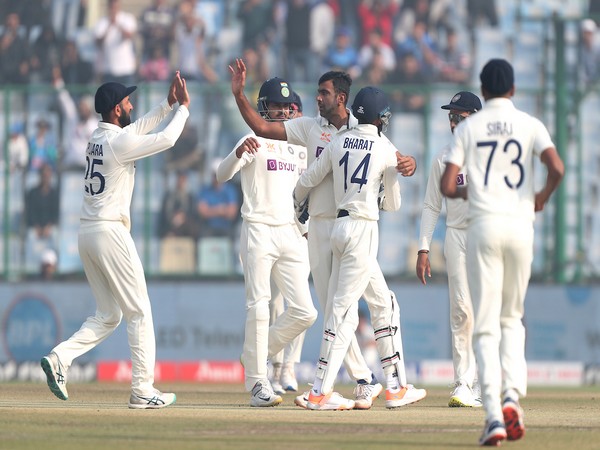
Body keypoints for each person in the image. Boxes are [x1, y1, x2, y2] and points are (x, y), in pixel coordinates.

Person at [230, 59, 422, 410]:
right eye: (318, 92)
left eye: (324, 93)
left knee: (370, 303)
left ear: (342, 98)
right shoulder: (308, 127)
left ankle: (382, 382)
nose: (317, 98)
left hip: (349, 226)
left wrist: (408, 164)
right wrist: (240, 95)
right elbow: (260, 126)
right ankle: (364, 381)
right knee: (337, 307)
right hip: (320, 228)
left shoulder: (363, 127)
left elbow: (395, 159)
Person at [40, 72, 191, 409]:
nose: (132, 104)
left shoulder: (99, 137)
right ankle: (142, 390)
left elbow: (138, 129)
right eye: (127, 101)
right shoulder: (118, 143)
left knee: (109, 314)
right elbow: (165, 140)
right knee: (139, 310)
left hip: (87, 233)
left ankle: (60, 358)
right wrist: (183, 109)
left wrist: (167, 104)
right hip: (110, 232)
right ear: (117, 110)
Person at [440, 58, 564, 446]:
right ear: (511, 89)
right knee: (512, 317)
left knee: (486, 322)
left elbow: (447, 185)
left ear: (485, 89)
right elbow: (556, 167)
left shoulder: (470, 126)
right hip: (519, 226)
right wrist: (539, 198)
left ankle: (493, 415)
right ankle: (512, 397)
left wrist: (469, 191)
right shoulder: (530, 124)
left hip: (484, 226)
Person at [293, 86, 426, 410]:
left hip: (339, 227)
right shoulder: (383, 148)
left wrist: (299, 209)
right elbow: (392, 205)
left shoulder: (338, 142)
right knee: (341, 313)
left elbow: (307, 180)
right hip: (363, 230)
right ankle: (318, 392)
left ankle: (395, 386)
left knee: (384, 304)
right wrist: (390, 179)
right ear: (381, 119)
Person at [216, 77, 318, 407]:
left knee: (304, 312)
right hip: (258, 228)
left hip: (292, 232)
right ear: (264, 108)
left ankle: (254, 355)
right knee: (259, 306)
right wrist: (236, 154)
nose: (285, 111)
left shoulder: (300, 144)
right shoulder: (252, 137)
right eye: (277, 106)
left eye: (288, 107)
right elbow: (220, 174)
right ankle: (258, 381)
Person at [416, 90, 482, 408]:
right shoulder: (443, 157)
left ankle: (486, 382)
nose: (453, 122)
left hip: (488, 236)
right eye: (451, 117)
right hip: (457, 236)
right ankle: (463, 382)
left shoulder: (491, 154)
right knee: (461, 310)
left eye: (460, 117)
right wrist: (424, 248)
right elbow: (431, 205)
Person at [268, 91, 308, 394]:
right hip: (270, 230)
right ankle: (274, 365)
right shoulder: (269, 143)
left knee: (300, 305)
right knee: (273, 303)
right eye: (285, 109)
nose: (289, 115)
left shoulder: (307, 147)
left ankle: (289, 366)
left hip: (300, 232)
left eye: (294, 110)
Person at [197, 159, 239, 240]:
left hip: (226, 228)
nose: (216, 178)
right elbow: (202, 212)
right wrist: (221, 210)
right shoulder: (205, 190)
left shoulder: (230, 190)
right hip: (209, 228)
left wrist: (211, 210)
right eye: (214, 175)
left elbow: (232, 213)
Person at [158, 169, 198, 239]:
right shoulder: (169, 196)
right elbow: (165, 213)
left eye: (183, 179)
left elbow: (192, 213)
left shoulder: (190, 197)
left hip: (185, 227)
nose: (181, 181)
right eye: (179, 178)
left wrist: (182, 218)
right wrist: (174, 218)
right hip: (170, 225)